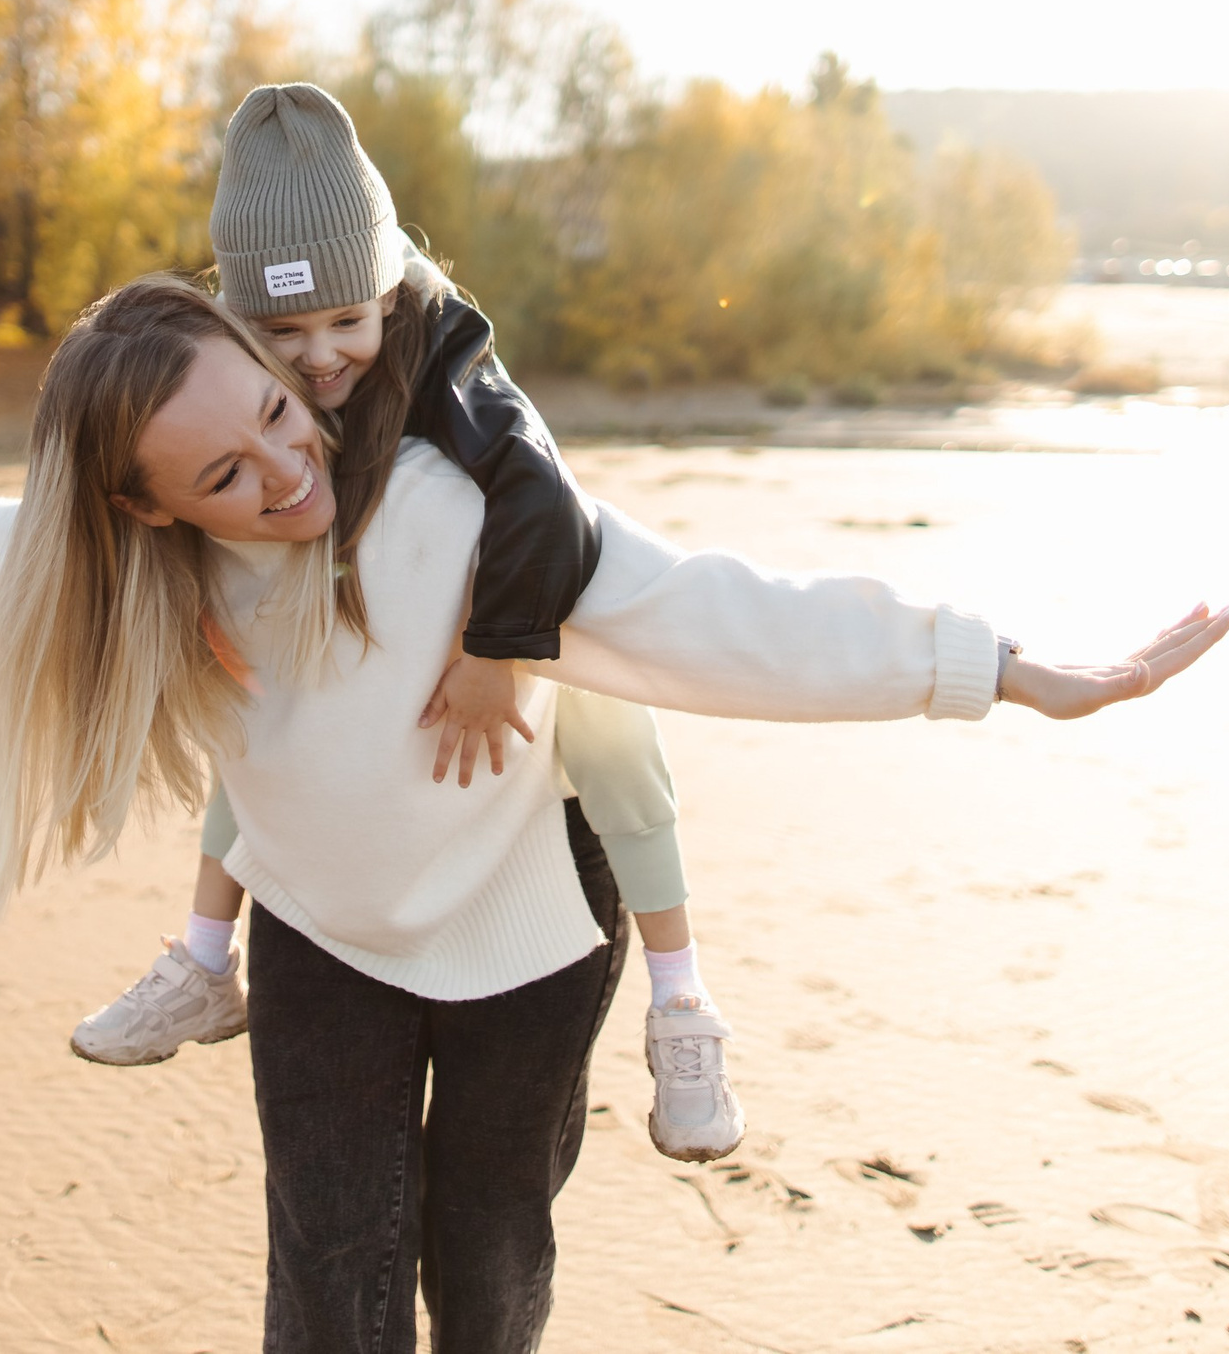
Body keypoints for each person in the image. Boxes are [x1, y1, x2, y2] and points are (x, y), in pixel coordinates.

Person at [0, 274, 1229, 1350]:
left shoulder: (440, 519)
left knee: (483, 1265)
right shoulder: (145, 571)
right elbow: (11, 539)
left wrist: (1003, 668)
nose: (288, 470)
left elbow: (708, 613)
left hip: (529, 945)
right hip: (326, 944)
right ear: (146, 507)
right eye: (225, 473)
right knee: (328, 1271)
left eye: (285, 415)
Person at [70, 83, 741, 1161]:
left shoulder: (444, 348)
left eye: (348, 319)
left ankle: (681, 997)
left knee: (615, 732)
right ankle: (201, 958)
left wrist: (492, 656)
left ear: (387, 287)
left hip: (526, 597)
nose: (325, 354)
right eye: (286, 333)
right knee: (255, 737)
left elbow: (542, 502)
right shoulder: (240, 377)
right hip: (348, 634)